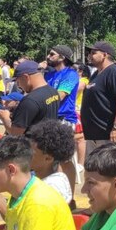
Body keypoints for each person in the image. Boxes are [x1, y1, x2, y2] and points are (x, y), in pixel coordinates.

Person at [0, 119, 76, 218]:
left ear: (48, 158)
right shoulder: (35, 178)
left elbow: (31, 223)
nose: (25, 154)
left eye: (31, 152)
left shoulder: (53, 187)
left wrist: (1, 205)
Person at [81, 41, 116, 152]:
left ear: (105, 55)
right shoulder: (96, 74)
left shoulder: (115, 72)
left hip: (113, 134)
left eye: (93, 53)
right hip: (97, 134)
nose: (90, 56)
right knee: (97, 168)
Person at [43, 45, 81, 195]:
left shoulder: (70, 74)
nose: (48, 57)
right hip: (49, 118)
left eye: (52, 54)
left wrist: (41, 99)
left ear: (62, 58)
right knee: (49, 158)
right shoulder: (48, 75)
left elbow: (61, 95)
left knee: (64, 159)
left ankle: (69, 196)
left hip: (64, 119)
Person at [0, 61, 61, 136]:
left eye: (18, 81)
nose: (19, 86)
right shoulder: (53, 91)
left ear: (26, 77)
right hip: (49, 141)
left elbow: (15, 133)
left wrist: (5, 117)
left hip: (33, 145)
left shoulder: (30, 100)